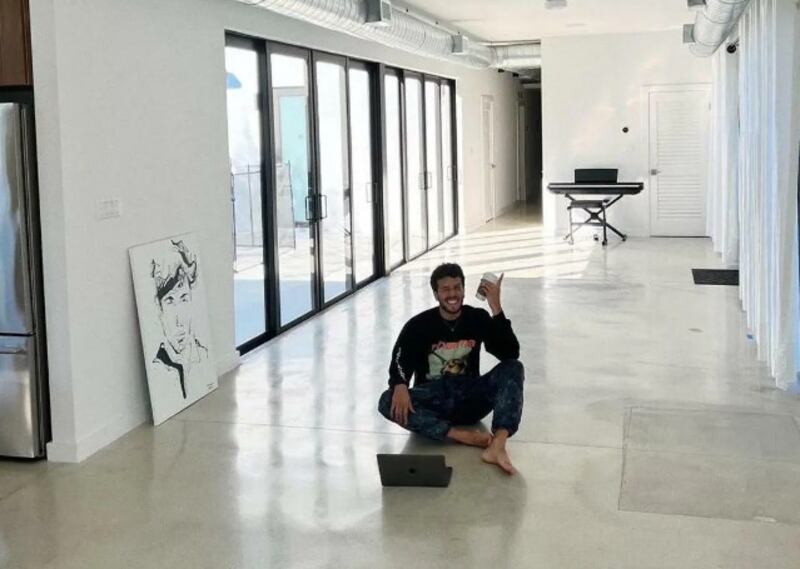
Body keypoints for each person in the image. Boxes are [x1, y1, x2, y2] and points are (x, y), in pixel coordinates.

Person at [377, 263, 524, 475]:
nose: (452, 294)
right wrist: (399, 384)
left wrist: (496, 308)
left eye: (457, 288)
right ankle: (461, 436)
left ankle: (498, 444)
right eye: (445, 289)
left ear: (464, 290)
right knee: (386, 400)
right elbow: (400, 361)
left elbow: (510, 353)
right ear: (436, 294)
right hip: (434, 401)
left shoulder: (477, 318)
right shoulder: (418, 325)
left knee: (514, 368)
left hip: (470, 398)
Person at [151, 239, 208, 399]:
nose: (179, 320)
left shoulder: (203, 356)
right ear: (159, 309)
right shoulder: (158, 370)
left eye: (184, 299)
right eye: (169, 301)